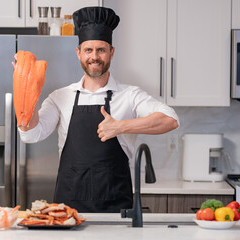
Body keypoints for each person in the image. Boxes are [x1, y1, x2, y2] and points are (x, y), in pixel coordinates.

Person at [16, 6, 180, 213]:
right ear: (79, 53)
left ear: (111, 52)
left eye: (101, 50)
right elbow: (30, 134)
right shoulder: (60, 97)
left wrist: (120, 127)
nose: (94, 57)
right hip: (68, 210)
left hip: (115, 209)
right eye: (88, 50)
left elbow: (170, 119)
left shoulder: (130, 95)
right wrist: (27, 91)